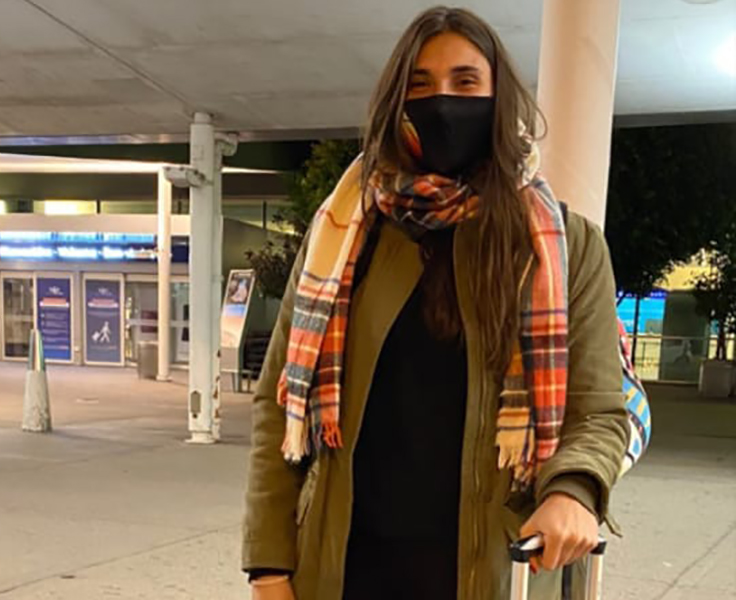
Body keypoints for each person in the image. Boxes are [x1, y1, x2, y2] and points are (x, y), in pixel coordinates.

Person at [242, 7, 627, 600]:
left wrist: (573, 490)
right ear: (395, 103)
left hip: (489, 570)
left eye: (465, 82)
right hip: (341, 569)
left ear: (499, 99)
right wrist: (269, 568)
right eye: (419, 85)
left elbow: (598, 410)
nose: (442, 103)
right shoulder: (343, 236)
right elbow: (277, 407)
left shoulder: (565, 247)